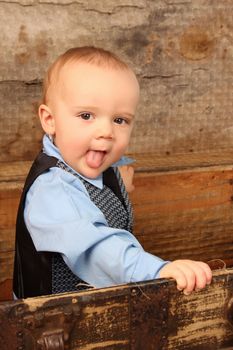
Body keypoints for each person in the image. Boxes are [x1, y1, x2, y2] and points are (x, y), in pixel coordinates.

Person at [13, 46, 212, 299]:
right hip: (52, 320)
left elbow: (100, 181)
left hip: (97, 303)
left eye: (120, 120)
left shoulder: (94, 164)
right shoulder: (53, 190)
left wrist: (119, 186)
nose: (106, 132)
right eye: (87, 115)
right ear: (50, 120)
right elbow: (96, 249)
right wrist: (157, 270)